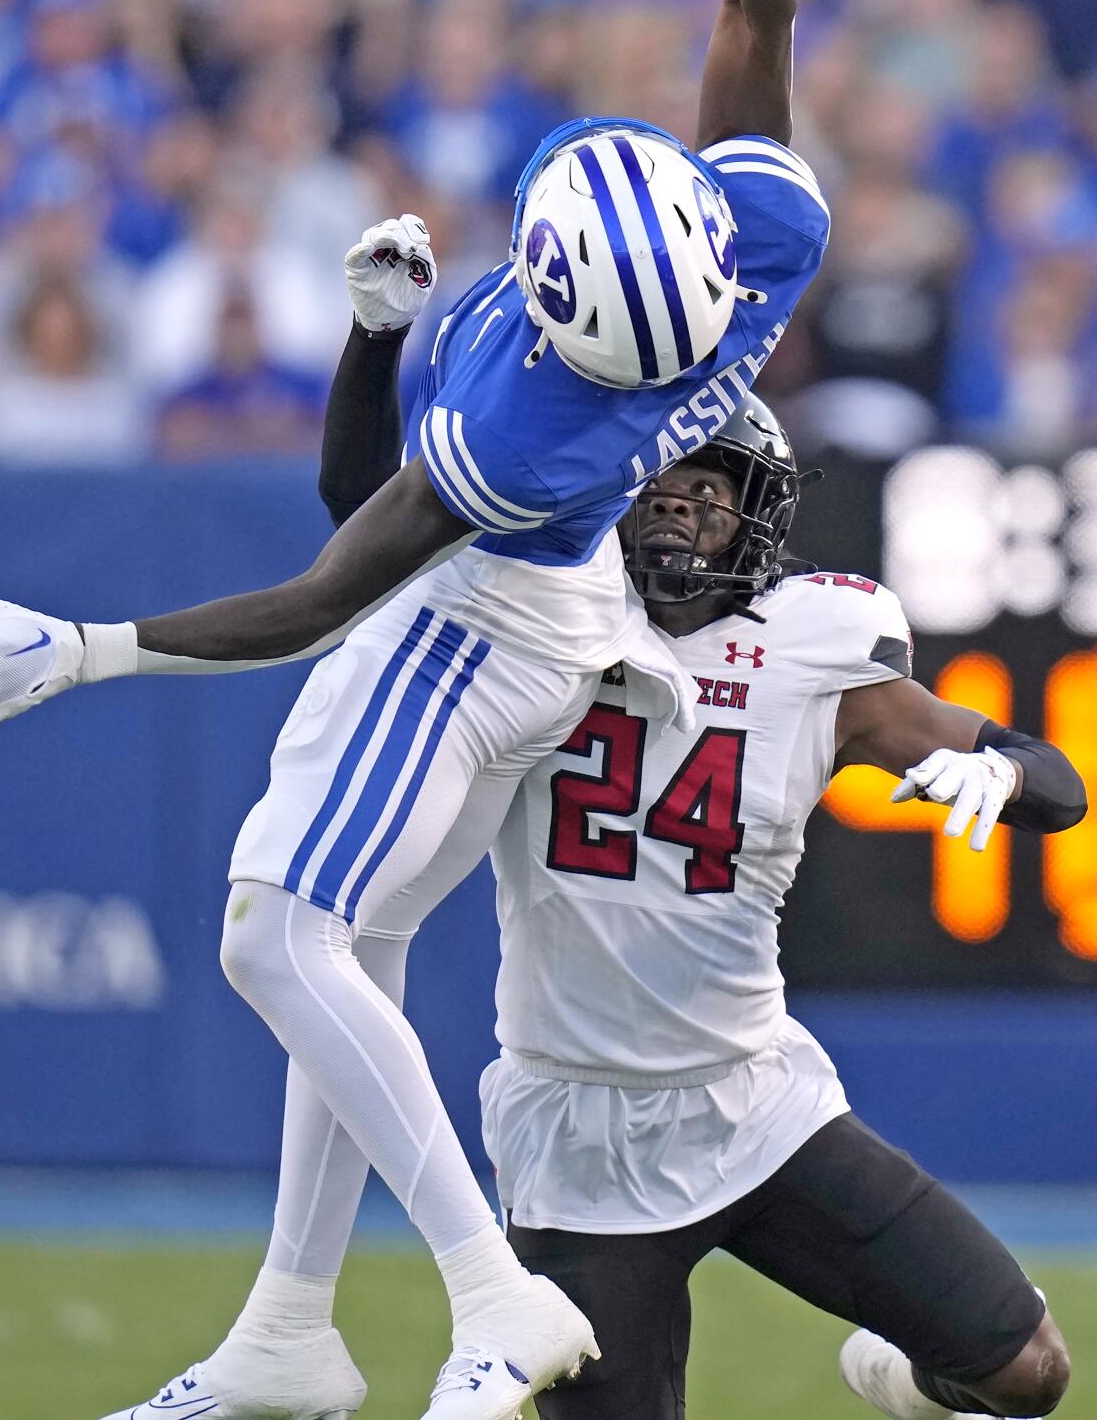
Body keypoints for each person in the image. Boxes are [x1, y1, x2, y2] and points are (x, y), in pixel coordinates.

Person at [0, 0, 829, 1419]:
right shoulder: (751, 253)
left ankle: (490, 1294)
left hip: (478, 629)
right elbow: (763, 11)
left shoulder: (528, 425)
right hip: (528, 623)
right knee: (365, 943)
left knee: (276, 928)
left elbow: (333, 568)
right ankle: (287, 1332)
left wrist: (98, 648)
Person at [320, 329, 1084, 1420]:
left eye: (708, 491)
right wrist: (375, 335)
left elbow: (1060, 781)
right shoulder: (535, 614)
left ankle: (899, 1380)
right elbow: (362, 516)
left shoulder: (814, 649)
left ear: (755, 513)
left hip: (757, 1105)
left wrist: (1002, 778)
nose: (678, 510)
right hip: (575, 1134)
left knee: (1028, 1372)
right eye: (657, 489)